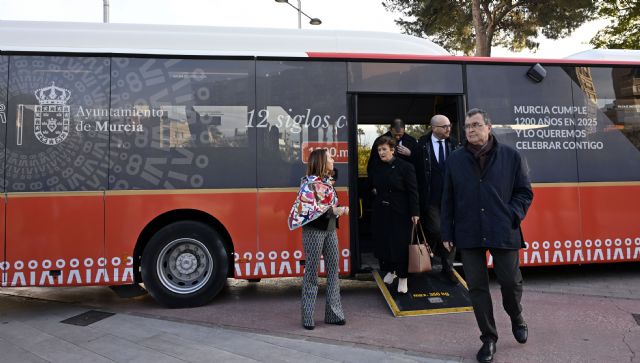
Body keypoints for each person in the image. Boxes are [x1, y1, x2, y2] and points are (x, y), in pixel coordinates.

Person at [441, 108, 533, 363]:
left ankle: (516, 315)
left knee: (510, 282)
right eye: (468, 126)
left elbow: (524, 193)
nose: (470, 129)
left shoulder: (511, 156)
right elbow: (447, 198)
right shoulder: (455, 160)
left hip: (502, 229)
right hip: (468, 231)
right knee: (477, 288)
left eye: (476, 125)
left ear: (488, 127)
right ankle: (489, 339)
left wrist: (512, 215)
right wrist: (447, 231)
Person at [287, 149, 349, 330]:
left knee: (333, 273)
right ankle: (307, 317)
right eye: (330, 157)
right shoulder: (309, 184)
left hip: (330, 231)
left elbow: (326, 201)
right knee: (312, 273)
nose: (333, 159)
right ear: (322, 161)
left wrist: (335, 210)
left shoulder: (326, 182)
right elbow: (312, 209)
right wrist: (335, 211)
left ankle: (334, 315)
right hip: (314, 231)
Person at [369, 135, 420, 294]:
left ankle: (403, 277)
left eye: (384, 149)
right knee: (384, 242)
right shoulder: (377, 166)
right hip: (382, 211)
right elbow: (374, 186)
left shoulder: (405, 167)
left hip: (401, 212)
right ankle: (391, 271)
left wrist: (415, 212)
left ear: (392, 150)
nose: (381, 152)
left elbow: (413, 192)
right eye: (379, 150)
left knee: (400, 245)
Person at [416, 114, 458, 284]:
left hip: (451, 198)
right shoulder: (421, 145)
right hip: (431, 198)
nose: (448, 129)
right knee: (438, 230)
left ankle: (448, 269)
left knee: (451, 232)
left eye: (449, 125)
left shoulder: (455, 144)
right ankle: (432, 257)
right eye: (444, 126)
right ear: (434, 128)